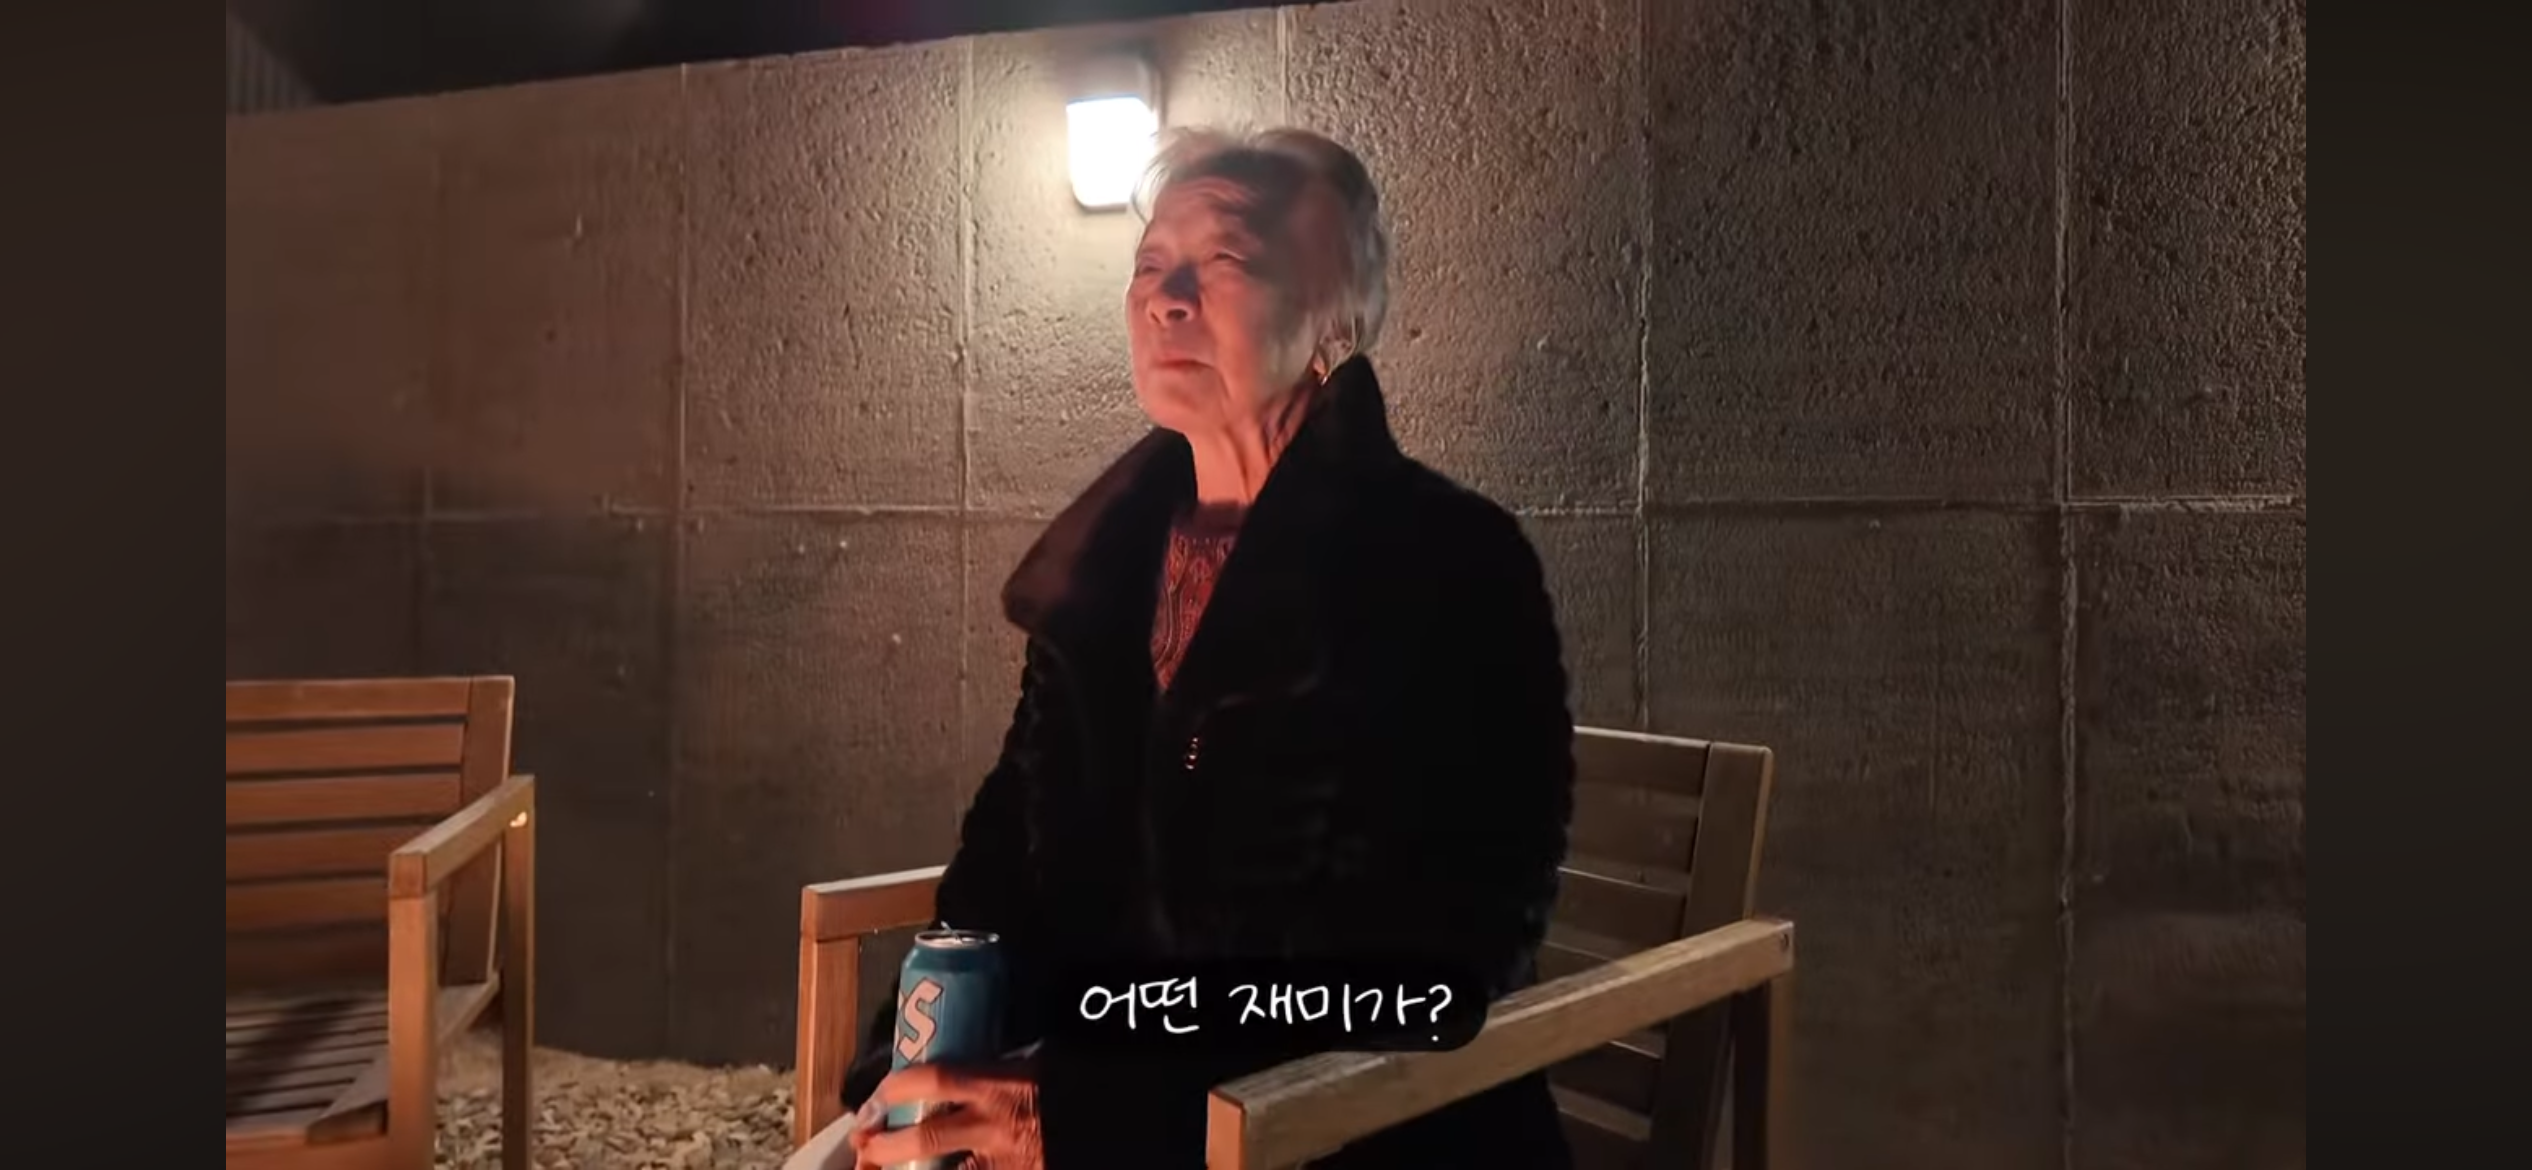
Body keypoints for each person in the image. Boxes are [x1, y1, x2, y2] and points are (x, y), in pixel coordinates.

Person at [818, 126, 1578, 1169]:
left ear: (1334, 314)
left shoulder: (1448, 563)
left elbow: (1441, 958)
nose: (1165, 298)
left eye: (1223, 258)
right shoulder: (1106, 574)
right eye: (1148, 266)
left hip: (1341, 1130)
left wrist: (1090, 1117)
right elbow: (1006, 861)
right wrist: (917, 1057)